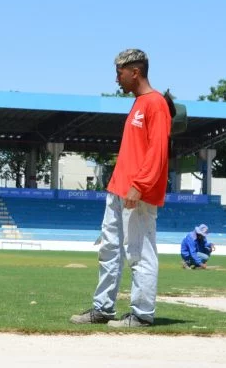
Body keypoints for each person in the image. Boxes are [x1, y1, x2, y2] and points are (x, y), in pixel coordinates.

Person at [70, 48, 172, 329]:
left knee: (140, 252)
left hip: (136, 192)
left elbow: (158, 152)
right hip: (118, 189)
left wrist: (139, 186)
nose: (117, 79)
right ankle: (103, 308)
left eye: (119, 73)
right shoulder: (138, 103)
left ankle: (141, 314)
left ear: (135, 72)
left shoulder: (156, 104)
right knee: (109, 251)